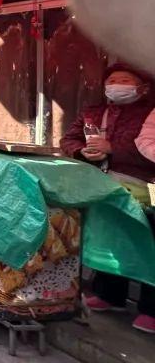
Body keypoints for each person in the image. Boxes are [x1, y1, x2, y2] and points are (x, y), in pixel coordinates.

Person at [61, 63, 155, 334]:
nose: (117, 86)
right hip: (103, 185)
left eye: (125, 80)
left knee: (145, 244)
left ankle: (151, 308)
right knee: (109, 241)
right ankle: (109, 294)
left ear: (143, 88)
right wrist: (82, 151)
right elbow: (69, 139)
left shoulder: (149, 113)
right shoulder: (93, 112)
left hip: (144, 188)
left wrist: (113, 149)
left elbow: (147, 149)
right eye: (112, 80)